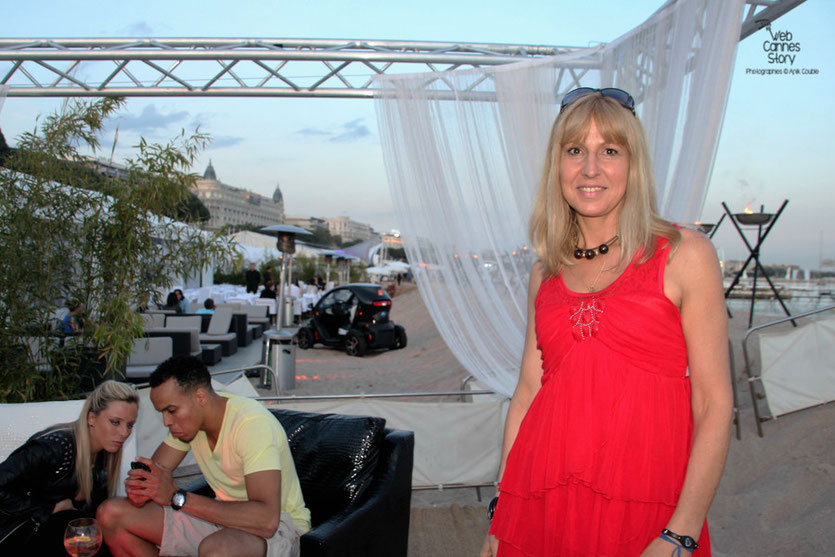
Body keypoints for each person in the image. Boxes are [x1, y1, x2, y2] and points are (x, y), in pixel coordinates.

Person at [481, 88, 733, 557]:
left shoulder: (684, 255)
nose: (590, 168)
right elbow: (528, 396)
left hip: (648, 515)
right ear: (557, 166)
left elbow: (714, 403)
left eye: (609, 151)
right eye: (575, 150)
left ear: (633, 164)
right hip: (539, 507)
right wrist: (502, 510)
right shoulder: (545, 272)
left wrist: (682, 532)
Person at [96, 355, 311, 557]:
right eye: (162, 412)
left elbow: (266, 520)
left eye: (171, 410)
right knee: (111, 514)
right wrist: (143, 488)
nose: (166, 422)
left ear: (200, 397)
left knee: (217, 549)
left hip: (280, 529)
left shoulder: (251, 425)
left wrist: (176, 497)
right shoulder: (188, 426)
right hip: (221, 519)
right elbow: (156, 473)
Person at [0, 381, 139, 554]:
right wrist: (47, 508)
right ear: (91, 418)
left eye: (130, 425)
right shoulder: (56, 448)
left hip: (55, 536)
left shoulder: (103, 453)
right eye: (115, 422)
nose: (124, 433)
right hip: (18, 536)